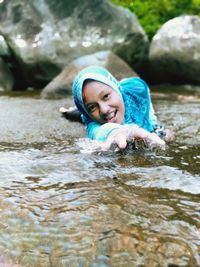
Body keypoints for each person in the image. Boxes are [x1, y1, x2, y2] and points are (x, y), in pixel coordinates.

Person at [60, 66, 174, 150]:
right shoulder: (92, 122)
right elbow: (97, 132)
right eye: (91, 107)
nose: (104, 109)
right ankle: (72, 111)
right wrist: (114, 132)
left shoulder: (137, 90)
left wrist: (156, 127)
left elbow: (147, 106)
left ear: (117, 89)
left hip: (124, 91)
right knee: (76, 116)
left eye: (106, 96)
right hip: (89, 117)